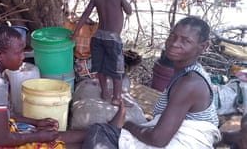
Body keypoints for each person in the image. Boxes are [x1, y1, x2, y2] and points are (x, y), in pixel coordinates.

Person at [82, 17, 221, 148]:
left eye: (186, 41)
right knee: (98, 133)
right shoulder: (186, 72)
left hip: (184, 143)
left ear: (203, 46)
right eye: (173, 36)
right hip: (173, 136)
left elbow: (158, 139)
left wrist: (128, 124)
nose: (174, 43)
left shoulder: (189, 83)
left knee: (99, 135)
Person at [0, 26, 85, 148]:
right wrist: (38, 136)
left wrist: (36, 122)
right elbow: (2, 139)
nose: (22, 57)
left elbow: (3, 115)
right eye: (18, 53)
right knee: (47, 143)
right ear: (0, 55)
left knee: (44, 134)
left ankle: (91, 135)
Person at [71, 0, 132, 106]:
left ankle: (104, 92)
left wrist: (75, 33)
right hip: (113, 39)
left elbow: (85, 15)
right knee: (117, 70)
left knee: (100, 67)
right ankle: (116, 97)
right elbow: (129, 11)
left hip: (97, 37)